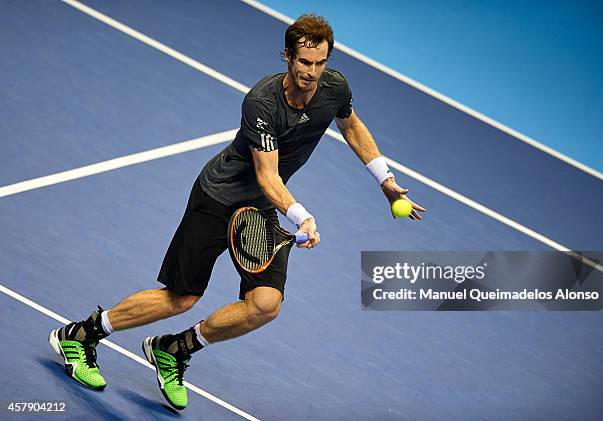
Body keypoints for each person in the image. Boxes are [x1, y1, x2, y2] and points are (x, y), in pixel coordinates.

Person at [48, 14, 425, 410]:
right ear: (288, 57)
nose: (312, 72)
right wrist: (301, 216)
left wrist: (384, 177)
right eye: (304, 63)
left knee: (265, 304)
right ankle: (81, 335)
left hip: (260, 208)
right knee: (181, 298)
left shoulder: (335, 87)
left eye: (320, 63)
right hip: (219, 197)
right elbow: (267, 175)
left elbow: (352, 126)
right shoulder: (261, 102)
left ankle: (176, 349)